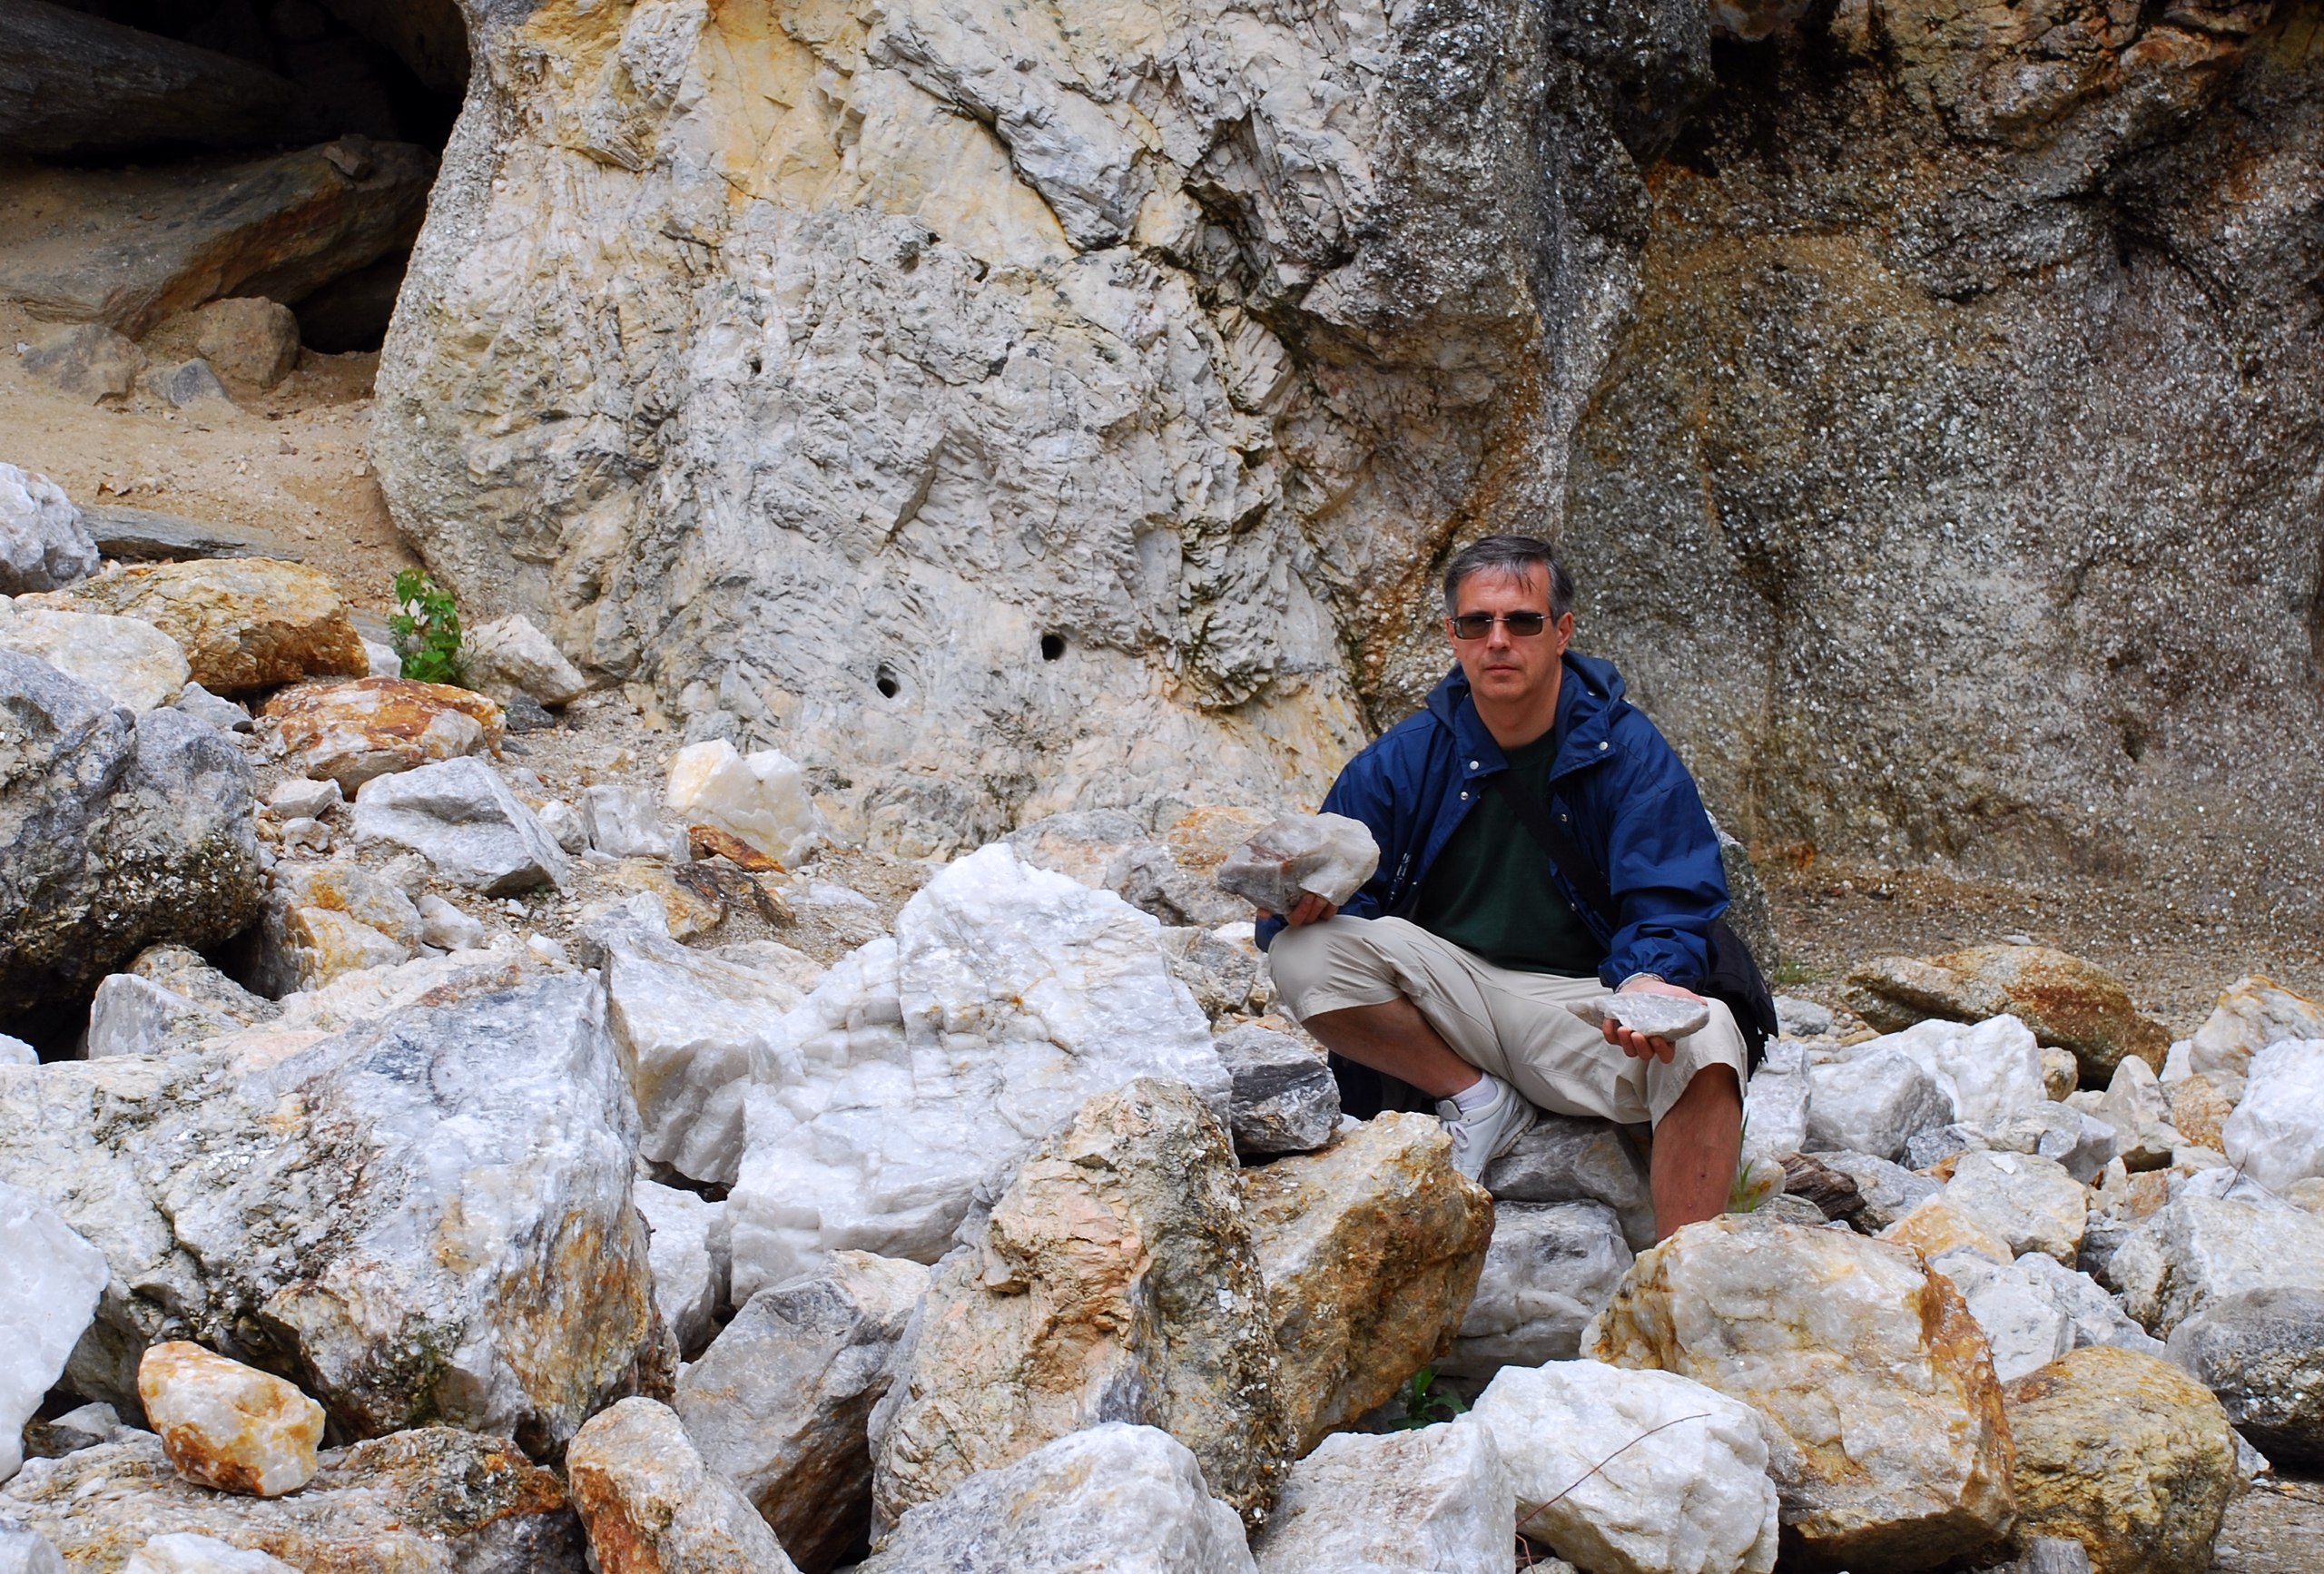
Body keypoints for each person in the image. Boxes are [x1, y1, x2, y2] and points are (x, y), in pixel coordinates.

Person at [1256, 534, 1747, 1238]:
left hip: (1581, 1007)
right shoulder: (1406, 758)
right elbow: (1344, 894)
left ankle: (1685, 1273)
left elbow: (1671, 894)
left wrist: (1650, 979)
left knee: (1710, 1038)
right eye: (1476, 622)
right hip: (1450, 998)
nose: (1498, 641)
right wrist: (1298, 903)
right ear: (1452, 635)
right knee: (1302, 951)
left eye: (1522, 621)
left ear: (1562, 631)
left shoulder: (1629, 752)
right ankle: (1478, 1099)